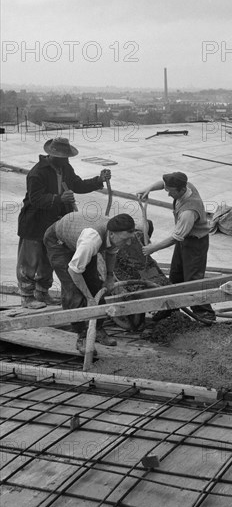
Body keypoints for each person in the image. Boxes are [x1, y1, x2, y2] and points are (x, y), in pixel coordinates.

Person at [17, 136, 111, 309]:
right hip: (34, 222)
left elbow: (77, 184)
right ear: (52, 155)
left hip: (55, 223)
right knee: (30, 260)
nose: (66, 160)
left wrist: (98, 180)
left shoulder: (64, 167)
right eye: (63, 157)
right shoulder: (37, 173)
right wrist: (59, 199)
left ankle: (42, 293)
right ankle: (27, 296)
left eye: (67, 157)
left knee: (48, 259)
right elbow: (36, 199)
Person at [43, 212, 136, 354]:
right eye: (126, 239)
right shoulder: (92, 240)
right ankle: (81, 336)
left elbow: (111, 253)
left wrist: (109, 277)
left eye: (130, 239)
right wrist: (88, 298)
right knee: (74, 291)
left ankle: (97, 329)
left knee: (95, 285)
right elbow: (74, 271)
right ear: (111, 234)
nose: (128, 243)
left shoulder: (115, 233)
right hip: (59, 242)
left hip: (79, 240)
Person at [136, 172, 216, 323]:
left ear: (180, 190)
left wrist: (153, 248)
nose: (168, 194)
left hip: (195, 243)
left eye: (171, 192)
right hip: (184, 240)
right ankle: (170, 309)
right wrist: (149, 189)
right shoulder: (186, 186)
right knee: (175, 275)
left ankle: (205, 313)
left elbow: (176, 237)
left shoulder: (189, 211)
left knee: (192, 279)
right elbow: (163, 184)